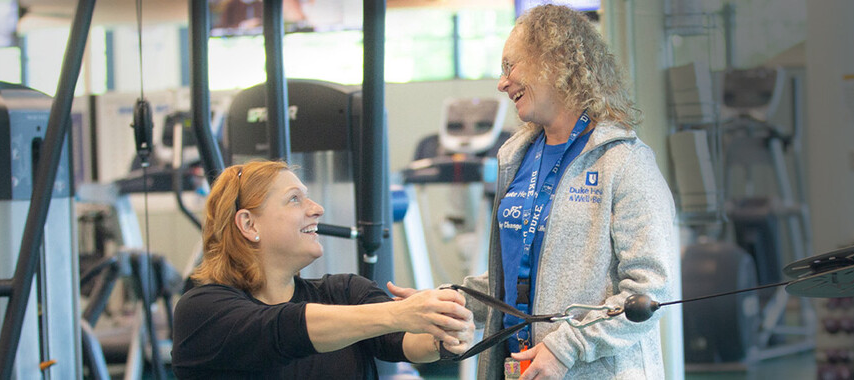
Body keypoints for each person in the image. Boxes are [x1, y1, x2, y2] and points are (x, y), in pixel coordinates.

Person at [391, 5, 676, 380]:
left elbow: (650, 293)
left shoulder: (625, 162)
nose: (502, 82)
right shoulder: (517, 155)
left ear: (554, 62)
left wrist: (564, 349)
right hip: (515, 368)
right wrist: (446, 302)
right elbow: (510, 278)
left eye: (510, 66)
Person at [171, 160, 475, 379]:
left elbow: (404, 340)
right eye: (294, 199)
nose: (317, 208)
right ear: (249, 224)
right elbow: (284, 329)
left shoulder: (344, 292)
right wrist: (401, 312)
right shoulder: (202, 311)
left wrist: (444, 332)